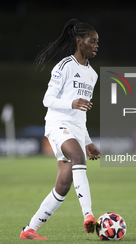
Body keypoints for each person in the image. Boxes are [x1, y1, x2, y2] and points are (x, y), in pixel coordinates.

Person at [20, 18, 101, 240]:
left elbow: (82, 114)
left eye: (97, 42)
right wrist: (70, 103)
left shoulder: (92, 75)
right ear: (79, 41)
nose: (96, 45)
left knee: (63, 186)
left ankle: (29, 230)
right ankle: (88, 215)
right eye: (92, 41)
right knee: (78, 157)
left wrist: (88, 141)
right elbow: (47, 99)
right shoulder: (64, 66)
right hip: (58, 124)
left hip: (75, 128)